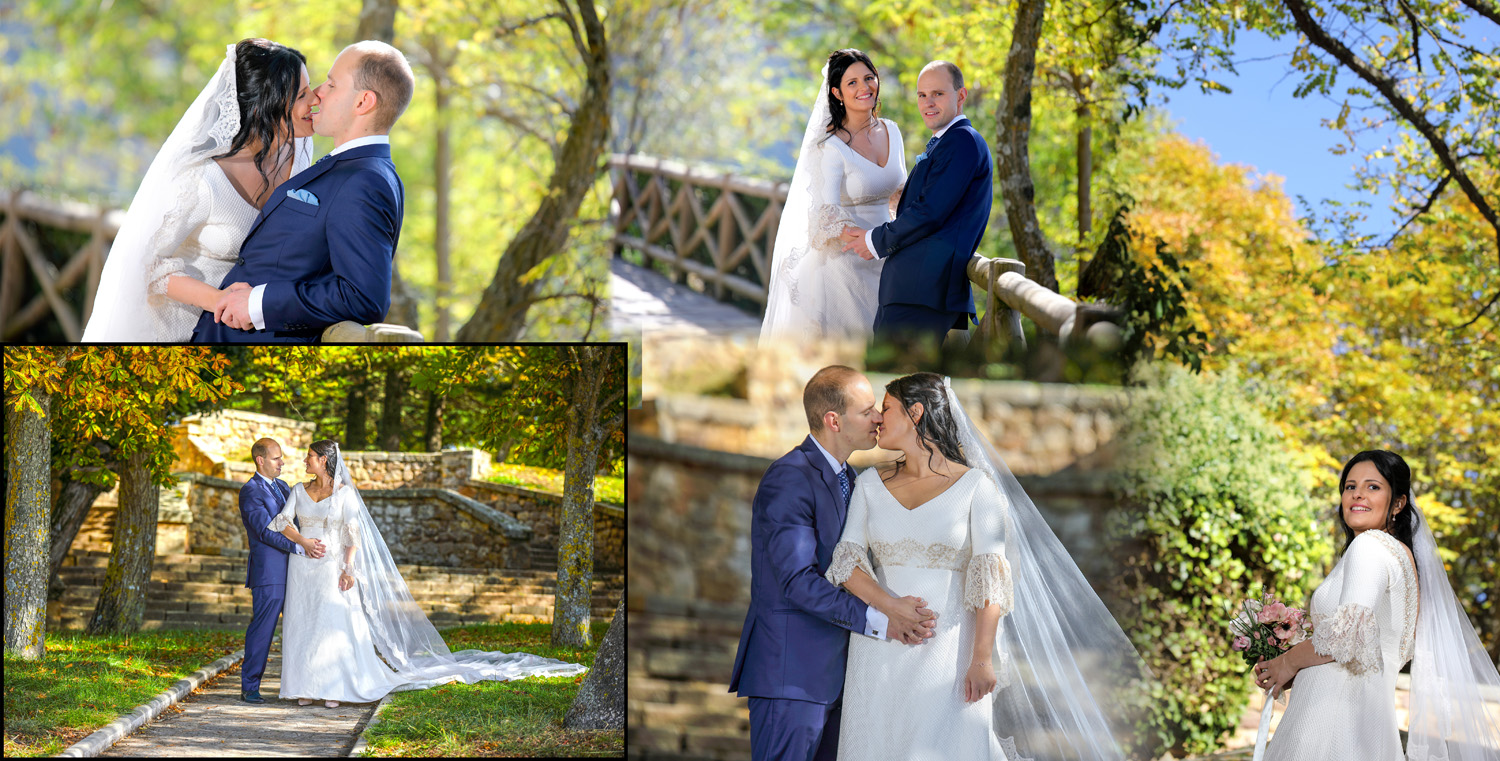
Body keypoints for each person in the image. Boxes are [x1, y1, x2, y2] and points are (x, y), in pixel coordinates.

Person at [827, 373, 1146, 759]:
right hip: (880, 646)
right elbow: (847, 562)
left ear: (916, 412)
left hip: (949, 649)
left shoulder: (977, 488)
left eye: (888, 408)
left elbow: (990, 578)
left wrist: (982, 658)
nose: (878, 417)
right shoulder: (869, 486)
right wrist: (891, 607)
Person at [267, 439, 586, 706]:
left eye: (309, 456)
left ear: (323, 460)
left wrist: (349, 568)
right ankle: (304, 687)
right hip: (303, 567)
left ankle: (332, 687)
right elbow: (282, 522)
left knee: (331, 622)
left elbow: (353, 534)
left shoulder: (346, 494)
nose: (304, 460)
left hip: (333, 567)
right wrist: (303, 541)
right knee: (303, 621)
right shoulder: (297, 489)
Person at [729, 366, 937, 761]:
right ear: (833, 421)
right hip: (793, 678)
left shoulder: (855, 479)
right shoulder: (789, 477)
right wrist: (882, 619)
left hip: (845, 681)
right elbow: (797, 581)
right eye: (867, 411)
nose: (878, 417)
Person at [1256, 450, 1500, 760]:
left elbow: (1346, 637)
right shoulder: (1401, 559)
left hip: (1329, 723)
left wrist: (1288, 661)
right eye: (1350, 486)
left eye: (1373, 486)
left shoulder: (1369, 546)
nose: (1357, 493)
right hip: (1367, 726)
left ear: (1398, 503)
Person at [82, 38, 316, 342]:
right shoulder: (202, 179)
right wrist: (218, 300)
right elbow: (146, 264)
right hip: (175, 332)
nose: (315, 100)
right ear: (263, 105)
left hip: (249, 332)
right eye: (301, 95)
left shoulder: (300, 152)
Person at [190, 40, 414, 342]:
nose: (318, 92)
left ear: (363, 102)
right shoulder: (347, 168)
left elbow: (364, 297)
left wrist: (258, 303)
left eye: (332, 85)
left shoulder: (366, 180)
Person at [840, 61, 993, 343]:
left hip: (922, 294)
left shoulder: (963, 142)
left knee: (898, 383)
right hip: (914, 290)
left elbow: (930, 212)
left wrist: (874, 240)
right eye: (922, 95)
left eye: (938, 94)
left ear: (961, 96)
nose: (928, 103)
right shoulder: (945, 141)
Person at [760, 49, 906, 342]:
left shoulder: (892, 130)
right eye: (852, 83)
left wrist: (897, 238)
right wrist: (869, 241)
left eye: (869, 78)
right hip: (846, 261)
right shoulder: (830, 146)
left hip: (889, 256)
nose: (864, 88)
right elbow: (827, 217)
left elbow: (899, 195)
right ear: (837, 93)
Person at [237, 437, 325, 704]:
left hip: (299, 570)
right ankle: (249, 686)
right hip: (270, 573)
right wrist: (300, 547)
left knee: (304, 626)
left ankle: (307, 685)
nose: (282, 462)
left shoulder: (284, 487)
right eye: (276, 458)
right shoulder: (250, 491)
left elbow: (296, 521)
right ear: (260, 460)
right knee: (263, 629)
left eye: (281, 457)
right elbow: (265, 531)